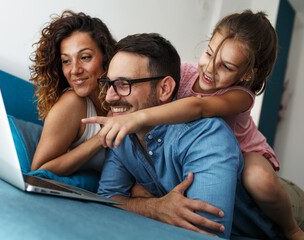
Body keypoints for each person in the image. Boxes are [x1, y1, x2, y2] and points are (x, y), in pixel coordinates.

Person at [83, 10, 304, 239]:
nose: (209, 69)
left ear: (248, 74)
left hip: (250, 155)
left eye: (226, 67)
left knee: (259, 179)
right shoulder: (185, 74)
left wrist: (137, 117)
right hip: (216, 165)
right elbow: (109, 196)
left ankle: (292, 229)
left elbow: (200, 108)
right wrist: (150, 204)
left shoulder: (240, 96)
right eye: (209, 54)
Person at [29, 10, 116, 177]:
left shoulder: (125, 94)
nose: (75, 70)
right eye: (66, 61)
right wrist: (99, 138)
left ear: (106, 56)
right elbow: (38, 171)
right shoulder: (72, 104)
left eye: (85, 57)